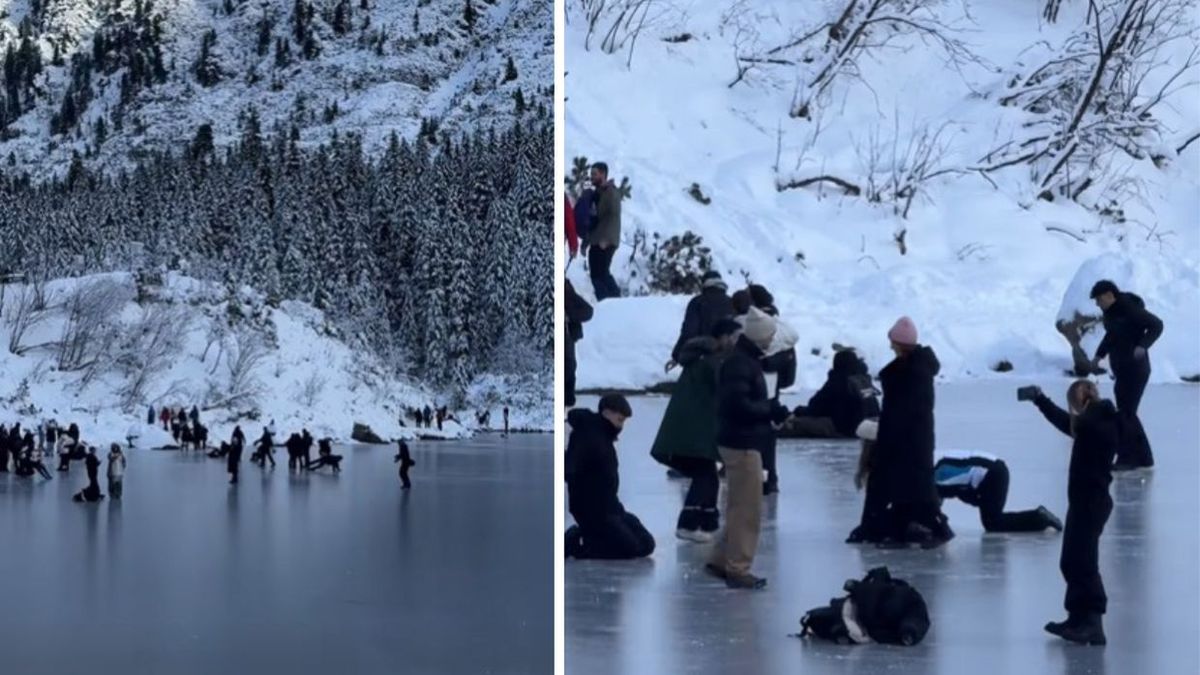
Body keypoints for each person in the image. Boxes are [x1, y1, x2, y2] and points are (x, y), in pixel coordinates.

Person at [1025, 380, 1119, 646]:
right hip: (1082, 501)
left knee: (1084, 562)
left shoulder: (1102, 423)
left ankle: (1093, 624)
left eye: (1074, 405)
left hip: (1093, 502)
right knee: (1070, 561)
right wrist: (1041, 401)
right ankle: (1077, 617)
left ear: (1081, 400)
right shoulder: (1091, 423)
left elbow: (1081, 425)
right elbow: (1068, 424)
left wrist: (1087, 409)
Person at [853, 420, 1062, 535]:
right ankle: (1037, 517)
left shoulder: (916, 468)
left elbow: (929, 499)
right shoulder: (914, 460)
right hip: (989, 470)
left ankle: (1038, 518)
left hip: (991, 475)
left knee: (993, 523)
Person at [705, 317, 791, 589]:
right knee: (747, 509)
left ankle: (721, 559)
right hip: (742, 443)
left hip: (739, 440)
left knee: (738, 505)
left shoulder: (744, 359)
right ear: (757, 337)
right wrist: (770, 410)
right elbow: (737, 405)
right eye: (768, 336)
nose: (770, 340)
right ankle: (738, 568)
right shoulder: (740, 363)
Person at [651, 319, 741, 542]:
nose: (736, 341)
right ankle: (689, 524)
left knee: (709, 475)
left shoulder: (702, 358)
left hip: (689, 429)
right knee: (705, 475)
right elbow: (726, 390)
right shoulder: (710, 362)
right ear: (722, 337)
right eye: (734, 336)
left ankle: (707, 521)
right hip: (692, 432)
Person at [873, 317, 951, 548]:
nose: (890, 346)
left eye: (893, 342)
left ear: (899, 344)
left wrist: (887, 439)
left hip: (909, 439)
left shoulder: (910, 373)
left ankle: (930, 526)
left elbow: (901, 411)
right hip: (917, 438)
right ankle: (909, 525)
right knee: (911, 484)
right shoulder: (916, 369)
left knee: (913, 485)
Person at [564, 395, 655, 560]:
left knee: (646, 544)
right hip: (593, 512)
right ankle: (576, 542)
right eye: (619, 420)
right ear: (606, 413)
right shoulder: (588, 435)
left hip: (612, 508)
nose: (621, 426)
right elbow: (570, 467)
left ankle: (591, 536)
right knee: (630, 548)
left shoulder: (603, 436)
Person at [1089, 280, 1162, 470]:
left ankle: (1128, 458)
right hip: (1122, 369)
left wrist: (1142, 345)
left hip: (1136, 369)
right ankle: (1144, 458)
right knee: (1127, 414)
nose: (1097, 304)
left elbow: (1156, 325)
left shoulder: (1129, 308)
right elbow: (1111, 336)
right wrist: (1098, 356)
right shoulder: (1111, 314)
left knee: (1125, 414)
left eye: (1098, 299)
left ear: (1108, 295)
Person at [742, 286, 798, 494]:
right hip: (773, 387)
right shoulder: (782, 328)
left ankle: (756, 477)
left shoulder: (756, 324)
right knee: (768, 435)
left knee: (751, 435)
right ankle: (770, 477)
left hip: (756, 384)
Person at [787, 349, 879, 438]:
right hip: (868, 427)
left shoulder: (838, 380)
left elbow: (816, 408)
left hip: (843, 428)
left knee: (794, 424)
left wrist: (798, 411)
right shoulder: (864, 381)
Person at [666, 271, 734, 369]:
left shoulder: (697, 302)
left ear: (704, 283)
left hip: (701, 358)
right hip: (728, 360)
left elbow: (689, 332)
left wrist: (676, 356)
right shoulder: (732, 302)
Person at [587, 162, 622, 301]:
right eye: (591, 174)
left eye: (595, 174)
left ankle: (616, 301)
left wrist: (606, 239)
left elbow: (613, 215)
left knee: (601, 272)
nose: (592, 177)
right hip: (597, 239)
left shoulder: (610, 192)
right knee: (596, 273)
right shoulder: (599, 193)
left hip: (605, 240)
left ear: (603, 174)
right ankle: (605, 302)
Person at [565, 279, 594, 408]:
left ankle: (567, 402)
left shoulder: (566, 289)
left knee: (569, 366)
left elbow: (588, 311)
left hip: (567, 336)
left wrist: (569, 315)